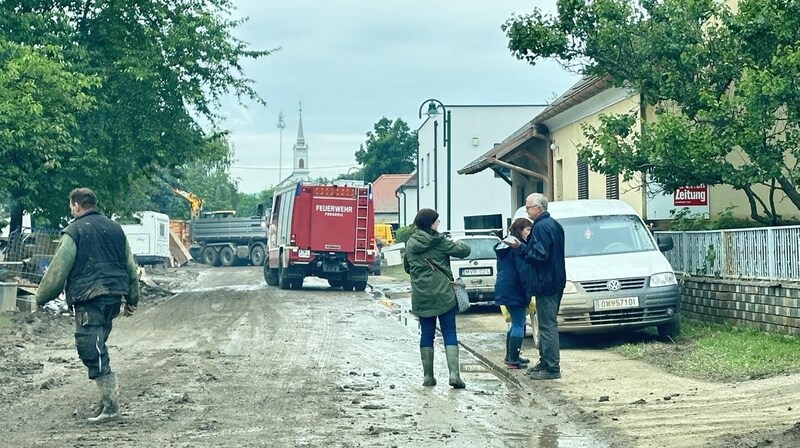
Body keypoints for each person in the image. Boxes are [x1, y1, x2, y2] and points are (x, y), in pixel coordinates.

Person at [35, 188, 140, 422]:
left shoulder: (74, 231)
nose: (70, 210)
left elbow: (58, 269)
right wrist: (132, 298)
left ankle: (111, 407)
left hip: (89, 297)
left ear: (76, 205)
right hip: (114, 296)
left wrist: (41, 296)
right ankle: (105, 403)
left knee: (91, 350)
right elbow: (130, 266)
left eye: (70, 206)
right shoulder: (116, 229)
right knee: (98, 345)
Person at [403, 208, 471, 388]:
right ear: (431, 223)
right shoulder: (440, 242)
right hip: (444, 295)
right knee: (449, 332)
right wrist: (452, 241)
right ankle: (454, 375)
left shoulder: (410, 243)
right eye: (437, 222)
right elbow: (465, 251)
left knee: (426, 334)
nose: (438, 224)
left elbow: (407, 268)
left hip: (422, 295)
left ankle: (428, 377)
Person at [508, 193, 566, 380]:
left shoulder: (540, 227)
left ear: (538, 208)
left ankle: (551, 367)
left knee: (547, 325)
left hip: (546, 283)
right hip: (555, 280)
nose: (526, 210)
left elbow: (539, 255)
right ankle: (545, 361)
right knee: (547, 324)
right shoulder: (555, 225)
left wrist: (521, 248)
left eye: (528, 207)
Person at [494, 217, 535, 369]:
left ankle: (511, 356)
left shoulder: (504, 246)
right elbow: (523, 271)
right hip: (515, 288)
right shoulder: (517, 247)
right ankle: (513, 360)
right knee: (519, 323)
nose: (529, 233)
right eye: (528, 229)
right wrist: (528, 291)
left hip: (504, 286)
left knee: (514, 323)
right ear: (520, 230)